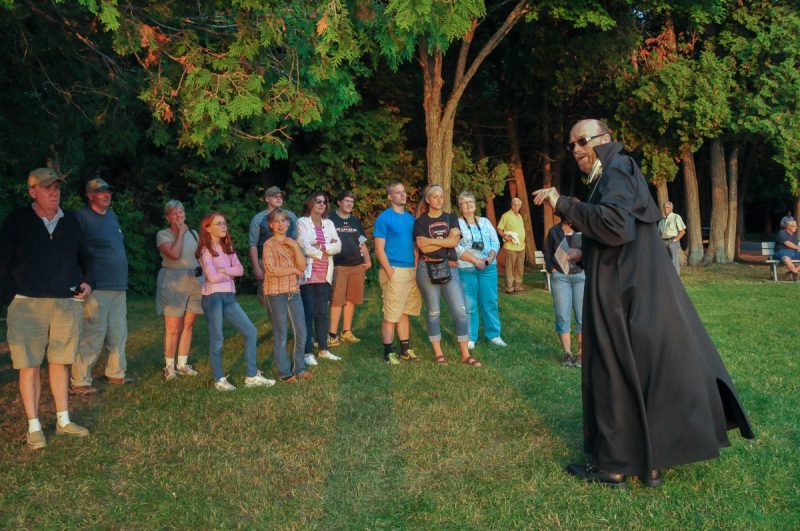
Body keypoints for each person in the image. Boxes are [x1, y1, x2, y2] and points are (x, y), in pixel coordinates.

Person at [532, 119, 753, 488]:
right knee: (642, 374)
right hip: (636, 290)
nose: (575, 150)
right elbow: (624, 234)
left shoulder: (617, 167)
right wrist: (584, 252)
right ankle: (648, 461)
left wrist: (563, 202)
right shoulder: (616, 172)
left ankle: (614, 465)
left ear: (604, 140)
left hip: (622, 296)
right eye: (571, 144)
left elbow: (615, 224)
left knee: (612, 373)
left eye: (581, 141)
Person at [0, 168, 93, 449]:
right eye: (47, 188)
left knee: (61, 361)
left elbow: (86, 257)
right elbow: (2, 262)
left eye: (57, 188)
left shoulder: (72, 221)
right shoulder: (17, 221)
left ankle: (63, 420)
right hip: (27, 304)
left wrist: (88, 282)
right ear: (32, 191)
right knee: (29, 365)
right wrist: (10, 298)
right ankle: (34, 426)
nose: (54, 193)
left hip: (66, 303)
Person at [197, 212, 275, 391]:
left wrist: (223, 270)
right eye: (219, 224)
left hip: (229, 297)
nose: (224, 226)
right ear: (208, 228)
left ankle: (251, 375)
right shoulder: (204, 250)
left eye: (224, 223)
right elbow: (211, 277)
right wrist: (227, 271)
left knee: (250, 331)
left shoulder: (227, 246)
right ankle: (219, 380)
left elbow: (240, 270)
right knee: (217, 339)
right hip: (213, 298)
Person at [70, 178, 131, 395]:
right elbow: (73, 251)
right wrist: (82, 279)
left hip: (118, 285)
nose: (106, 195)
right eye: (101, 192)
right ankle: (80, 379)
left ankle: (116, 372)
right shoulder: (81, 217)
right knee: (93, 333)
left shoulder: (112, 217)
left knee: (118, 332)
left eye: (108, 191)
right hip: (96, 286)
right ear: (90, 195)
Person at [414, 185, 480, 367]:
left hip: (450, 268)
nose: (439, 199)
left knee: (460, 310)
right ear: (428, 200)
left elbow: (454, 241)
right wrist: (445, 242)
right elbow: (423, 247)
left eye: (441, 196)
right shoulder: (420, 222)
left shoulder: (451, 217)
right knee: (434, 312)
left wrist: (432, 241)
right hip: (427, 269)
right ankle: (438, 353)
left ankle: (465, 354)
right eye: (435, 197)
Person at [374, 180, 422, 364]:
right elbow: (379, 249)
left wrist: (416, 264)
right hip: (394, 270)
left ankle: (404, 350)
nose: (403, 194)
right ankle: (388, 352)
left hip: (410, 270)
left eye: (404, 191)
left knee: (404, 312)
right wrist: (390, 272)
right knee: (391, 313)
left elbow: (413, 244)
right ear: (390, 197)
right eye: (398, 192)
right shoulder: (384, 218)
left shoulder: (410, 218)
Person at [262, 209, 313, 383]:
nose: (281, 224)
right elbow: (272, 269)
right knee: (281, 333)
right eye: (276, 221)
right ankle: (284, 372)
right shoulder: (268, 244)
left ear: (289, 223)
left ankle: (299, 368)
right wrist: (293, 269)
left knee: (301, 331)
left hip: (294, 291)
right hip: (276, 293)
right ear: (271, 225)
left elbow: (303, 265)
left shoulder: (292, 243)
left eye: (284, 221)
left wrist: (294, 246)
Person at [156, 200, 202, 381]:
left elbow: (199, 257)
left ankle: (182, 364)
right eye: (175, 213)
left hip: (194, 281)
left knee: (188, 324)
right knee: (173, 327)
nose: (179, 216)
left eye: (181, 212)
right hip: (173, 282)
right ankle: (169, 367)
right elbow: (174, 254)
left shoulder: (194, 234)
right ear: (168, 217)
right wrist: (181, 234)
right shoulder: (163, 234)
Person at [454, 191, 506, 350]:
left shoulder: (485, 222)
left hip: (488, 268)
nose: (468, 204)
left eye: (471, 201)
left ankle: (494, 335)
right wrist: (475, 260)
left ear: (475, 204)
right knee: (469, 305)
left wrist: (489, 259)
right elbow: (456, 247)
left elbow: (495, 242)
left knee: (490, 301)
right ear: (460, 207)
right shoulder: (456, 223)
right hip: (466, 267)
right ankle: (470, 337)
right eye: (464, 202)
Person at [297, 192, 342, 366]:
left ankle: (324, 349)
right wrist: (323, 249)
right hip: (308, 276)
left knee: (322, 313)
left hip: (324, 275)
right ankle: (307, 352)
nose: (322, 204)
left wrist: (321, 246)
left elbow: (338, 246)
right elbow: (304, 247)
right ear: (310, 203)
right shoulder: (302, 222)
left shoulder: (329, 223)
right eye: (318, 201)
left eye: (324, 202)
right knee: (308, 313)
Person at [327, 190, 372, 346]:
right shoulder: (330, 218)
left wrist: (367, 259)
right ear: (339, 202)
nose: (349, 204)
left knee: (351, 299)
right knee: (337, 300)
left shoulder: (355, 221)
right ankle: (331, 335)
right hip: (338, 264)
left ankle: (346, 331)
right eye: (346, 201)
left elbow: (362, 243)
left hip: (356, 264)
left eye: (351, 202)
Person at [542, 219, 584, 368]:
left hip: (580, 277)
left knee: (582, 316)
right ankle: (567, 353)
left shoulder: (583, 229)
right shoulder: (554, 231)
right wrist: (552, 269)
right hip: (560, 278)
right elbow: (547, 252)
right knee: (562, 315)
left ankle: (581, 353)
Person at [248, 186, 298, 304]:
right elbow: (253, 244)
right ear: (267, 199)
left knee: (290, 294)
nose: (279, 198)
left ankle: (288, 320)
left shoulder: (291, 216)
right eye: (275, 196)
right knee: (269, 297)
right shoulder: (258, 219)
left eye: (280, 196)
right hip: (266, 262)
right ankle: (274, 321)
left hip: (288, 261)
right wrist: (257, 267)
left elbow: (296, 240)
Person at [497, 197, 526, 294]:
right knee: (510, 268)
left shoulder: (520, 216)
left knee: (519, 267)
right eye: (514, 204)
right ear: (511, 205)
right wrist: (505, 235)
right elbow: (499, 228)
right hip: (510, 246)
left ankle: (518, 286)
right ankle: (510, 287)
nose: (516, 206)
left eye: (518, 205)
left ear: (520, 206)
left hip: (521, 246)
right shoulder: (506, 215)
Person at [658, 201, 686, 275]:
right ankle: (669, 280)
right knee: (665, 262)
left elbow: (682, 231)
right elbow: (659, 234)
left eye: (667, 207)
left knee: (674, 262)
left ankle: (676, 280)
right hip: (663, 242)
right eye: (664, 207)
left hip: (673, 241)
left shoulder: (676, 217)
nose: (665, 209)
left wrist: (674, 240)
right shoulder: (661, 222)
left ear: (671, 208)